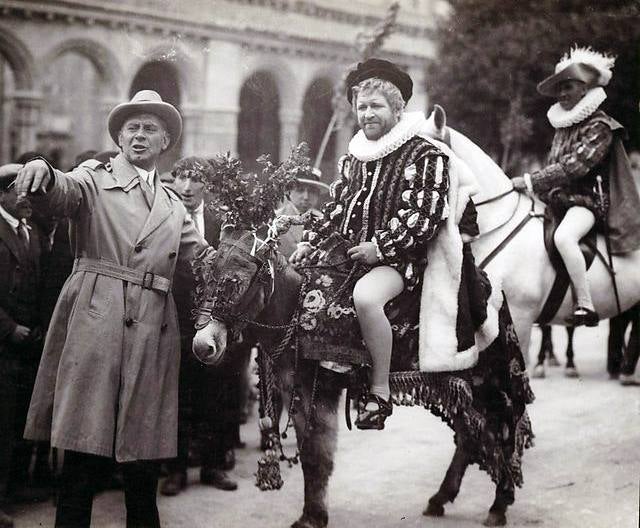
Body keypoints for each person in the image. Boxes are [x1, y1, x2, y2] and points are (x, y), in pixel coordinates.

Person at [3, 90, 213, 528]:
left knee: (142, 467)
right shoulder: (93, 178)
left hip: (154, 330)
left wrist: (251, 253)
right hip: (97, 320)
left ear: (165, 142)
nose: (139, 135)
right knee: (82, 457)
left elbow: (206, 261)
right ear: (118, 137)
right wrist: (42, 169)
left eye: (150, 129)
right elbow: (63, 192)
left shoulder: (175, 206)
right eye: (131, 128)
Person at [290, 59, 479, 430]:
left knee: (366, 297)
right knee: (296, 284)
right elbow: (336, 210)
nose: (366, 114)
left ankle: (378, 391)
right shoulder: (354, 159)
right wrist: (310, 244)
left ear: (397, 109)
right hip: (353, 255)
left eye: (375, 106)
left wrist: (381, 248)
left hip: (400, 261)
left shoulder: (426, 155)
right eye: (361, 107)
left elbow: (424, 218)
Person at [513, 47, 640, 326]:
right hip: (556, 201)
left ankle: (585, 304)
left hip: (586, 203)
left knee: (564, 238)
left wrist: (531, 180)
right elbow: (555, 166)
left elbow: (574, 167)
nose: (561, 94)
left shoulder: (601, 126)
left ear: (585, 89)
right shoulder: (563, 128)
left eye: (568, 87)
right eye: (559, 88)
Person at [161, 156, 238, 496]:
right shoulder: (163, 217)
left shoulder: (222, 222)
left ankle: (213, 466)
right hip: (174, 321)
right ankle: (175, 471)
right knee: (178, 396)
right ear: (174, 181)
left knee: (216, 394)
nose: (187, 187)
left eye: (195, 180)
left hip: (215, 324)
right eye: (181, 179)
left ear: (207, 185)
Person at [0, 175, 46, 528]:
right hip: (4, 342)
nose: (28, 199)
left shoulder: (31, 232)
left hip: (25, 345)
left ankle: (13, 490)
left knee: (16, 422)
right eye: (21, 192)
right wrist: (9, 328)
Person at [276, 167, 329, 258]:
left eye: (312, 191)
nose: (306, 197)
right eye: (300, 190)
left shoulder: (324, 221)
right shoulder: (275, 218)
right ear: (288, 192)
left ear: (318, 194)